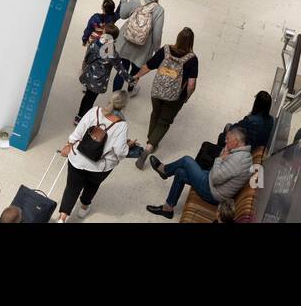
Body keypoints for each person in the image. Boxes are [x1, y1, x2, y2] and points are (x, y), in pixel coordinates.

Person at [144, 125, 253, 219]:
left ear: (236, 141)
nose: (225, 141)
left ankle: (164, 170)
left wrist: (219, 158)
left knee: (186, 160)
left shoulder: (238, 160)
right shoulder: (243, 155)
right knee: (180, 172)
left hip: (212, 192)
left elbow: (215, 178)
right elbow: (220, 174)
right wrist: (224, 154)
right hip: (214, 185)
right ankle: (167, 209)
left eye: (228, 139)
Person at [56, 91, 130, 222]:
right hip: (99, 167)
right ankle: (84, 208)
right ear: (124, 106)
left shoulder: (94, 111)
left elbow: (78, 132)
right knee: (93, 185)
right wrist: (128, 146)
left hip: (77, 159)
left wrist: (69, 144)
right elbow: (120, 151)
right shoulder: (121, 125)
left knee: (72, 188)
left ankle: (62, 218)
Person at [131, 27, 198, 168]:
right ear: (191, 42)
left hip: (157, 91)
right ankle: (149, 147)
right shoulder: (192, 60)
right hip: (174, 97)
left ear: (178, 38)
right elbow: (191, 85)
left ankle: (151, 138)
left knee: (155, 113)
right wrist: (186, 97)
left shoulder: (166, 50)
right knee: (164, 121)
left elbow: (148, 66)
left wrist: (136, 76)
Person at [114, 0, 164, 93]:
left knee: (122, 71)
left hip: (125, 43)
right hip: (143, 48)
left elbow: (122, 15)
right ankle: (131, 90)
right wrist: (157, 51)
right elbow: (157, 34)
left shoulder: (135, 2)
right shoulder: (159, 10)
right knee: (136, 71)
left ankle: (115, 97)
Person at [76, 23, 118, 119]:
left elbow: (87, 57)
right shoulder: (112, 51)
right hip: (99, 80)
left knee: (87, 96)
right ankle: (82, 117)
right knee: (91, 99)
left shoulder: (95, 43)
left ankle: (79, 115)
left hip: (90, 74)